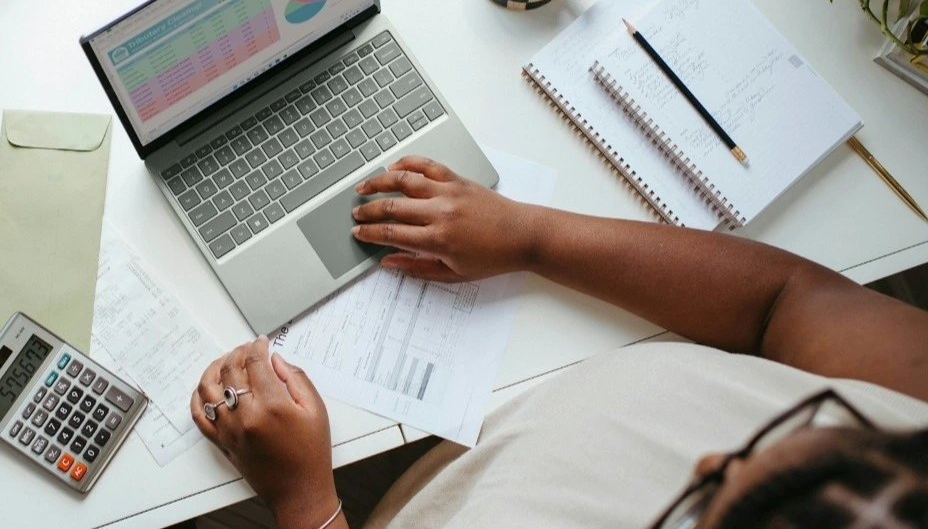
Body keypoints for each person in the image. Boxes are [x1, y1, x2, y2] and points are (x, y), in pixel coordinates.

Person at [190, 157, 928, 528]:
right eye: (810, 421)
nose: (708, 454)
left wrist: (306, 501)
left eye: (704, 500)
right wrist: (531, 236)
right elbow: (788, 300)